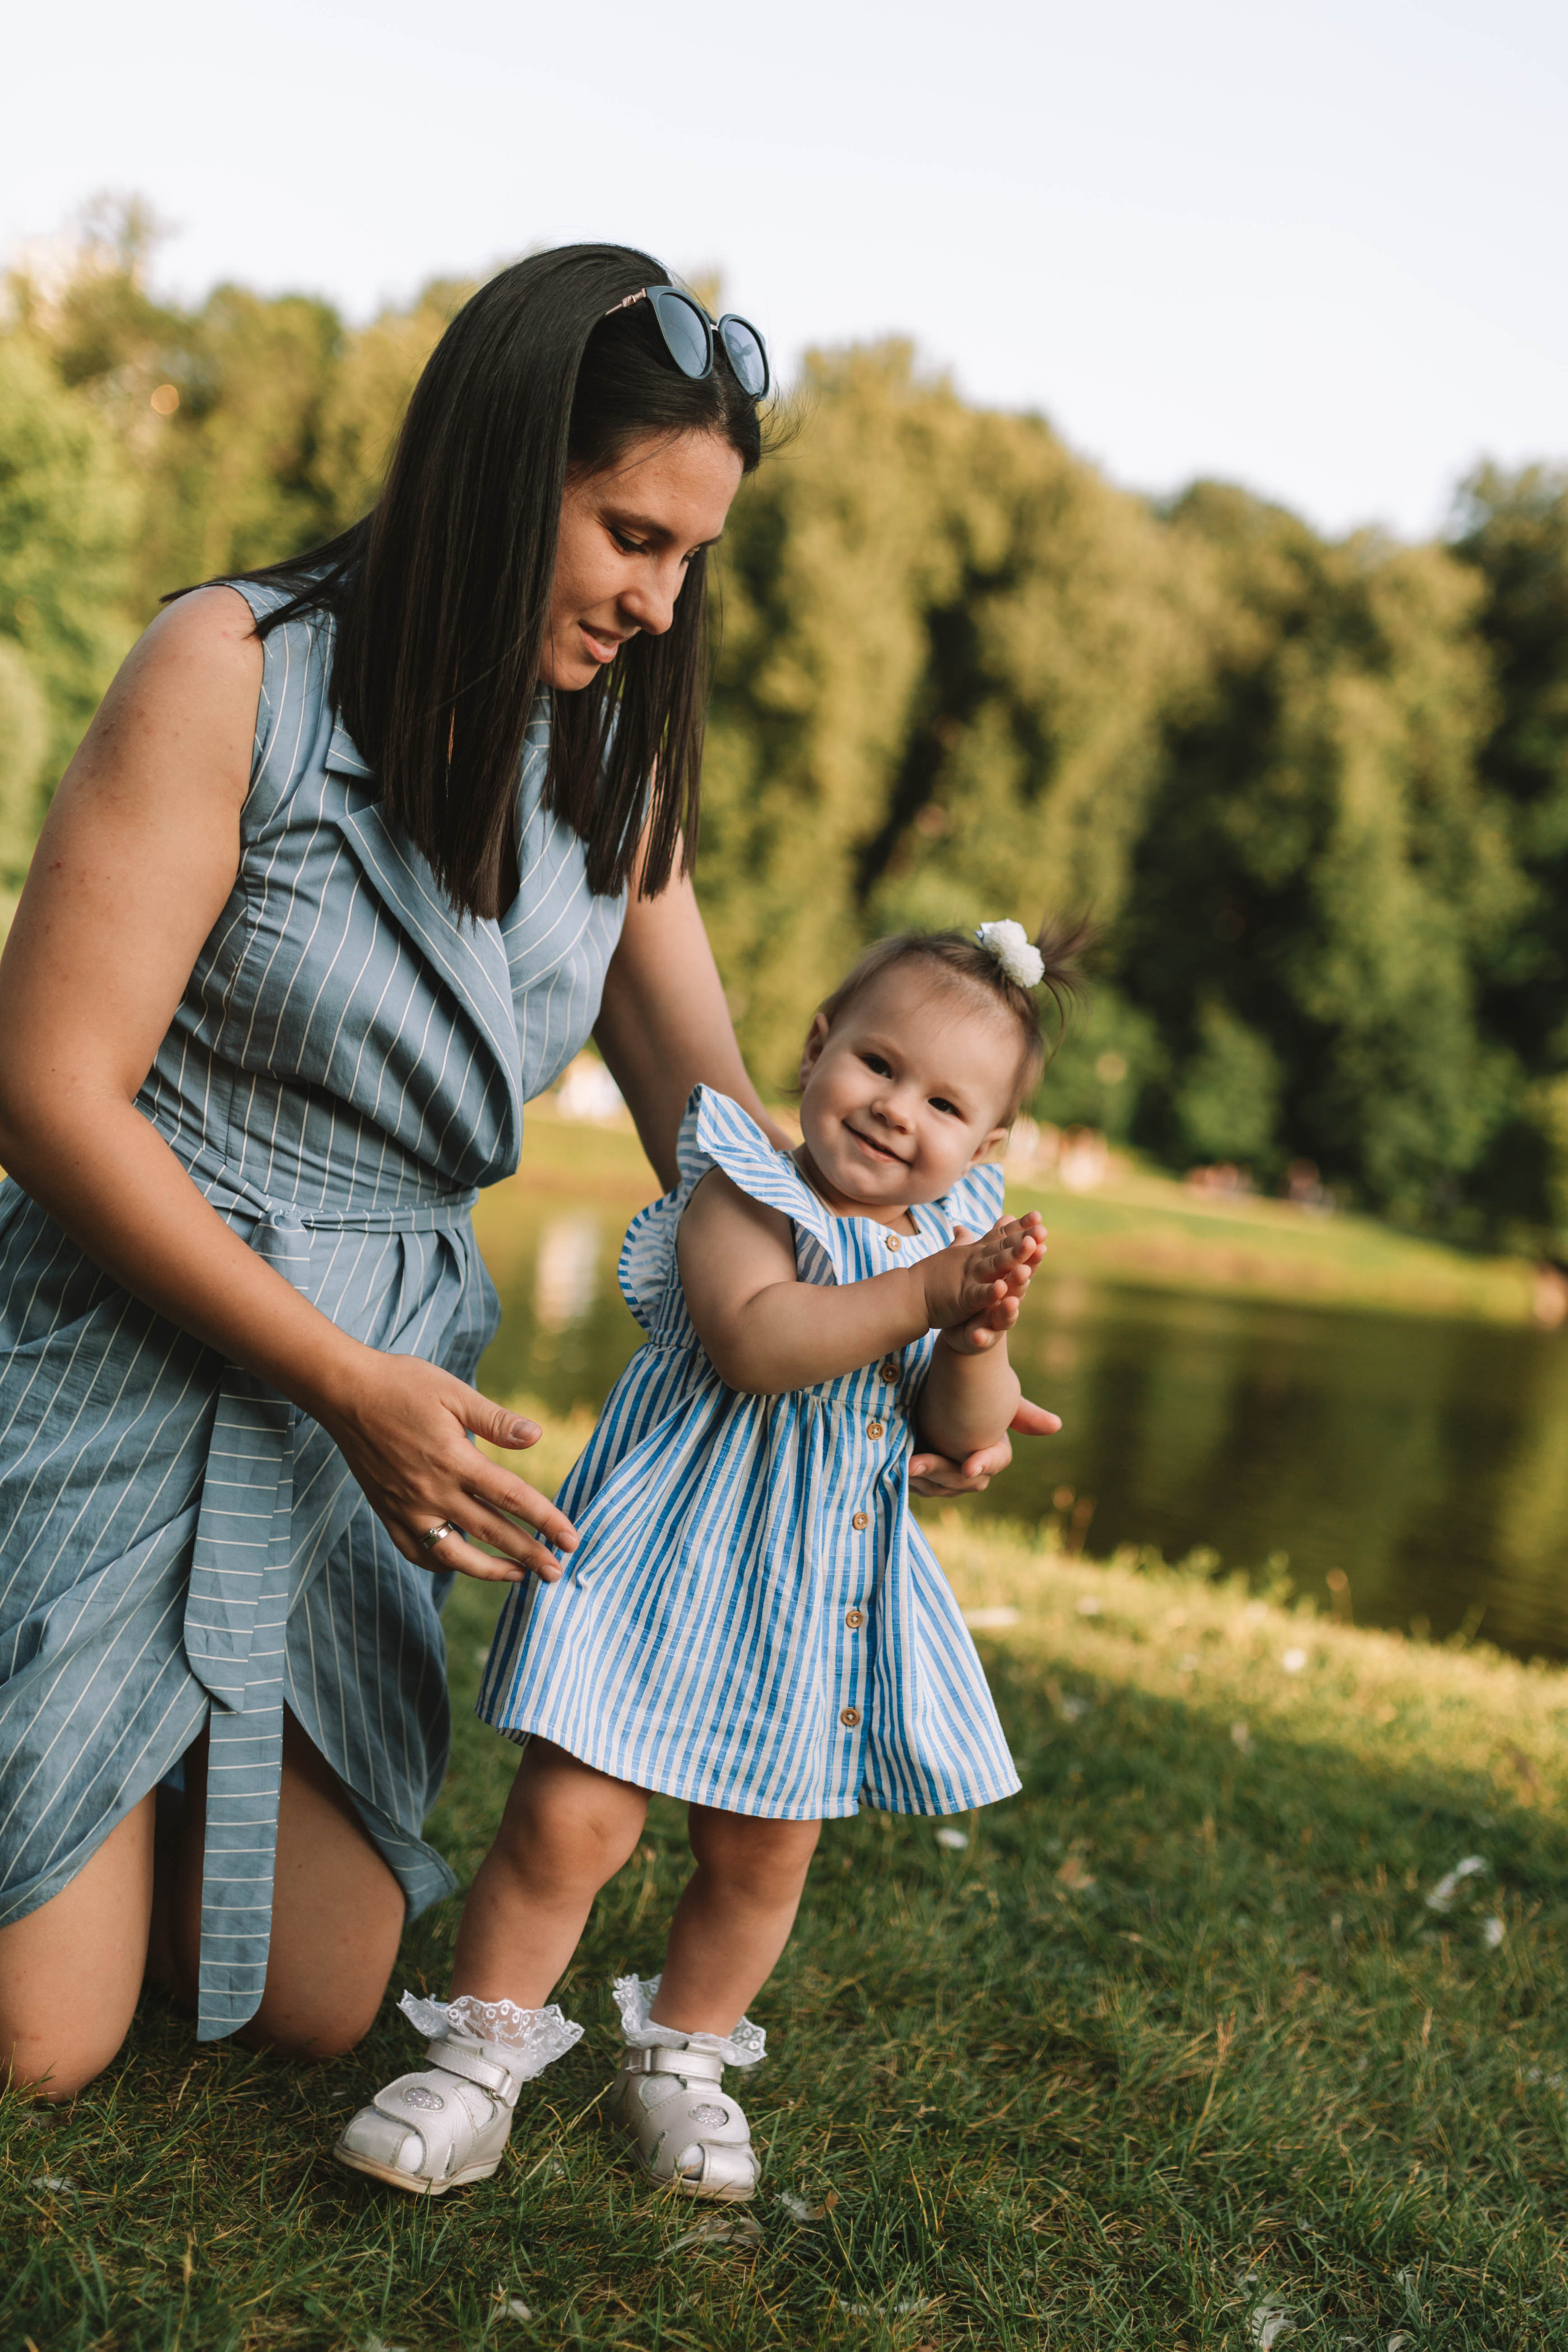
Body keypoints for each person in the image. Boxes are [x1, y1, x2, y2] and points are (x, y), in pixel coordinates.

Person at [0, 247, 1051, 2102]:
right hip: (133, 1341)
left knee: (318, 2002)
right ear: (498, 473)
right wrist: (342, 1387)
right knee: (43, 2039)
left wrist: (924, 1327)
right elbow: (44, 1094)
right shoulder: (232, 669)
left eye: (690, 559)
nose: (660, 602)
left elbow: (746, 1148)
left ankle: (128, 1785)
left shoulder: (612, 768)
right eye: (632, 536)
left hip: (380, 1396)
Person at [333, 917, 1075, 2201]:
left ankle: (681, 2060)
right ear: (817, 1048)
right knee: (567, 1822)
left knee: (761, 1854)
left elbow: (957, 1434)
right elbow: (757, 1341)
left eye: (946, 1104)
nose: (896, 1110)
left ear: (988, 1146)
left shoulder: (946, 1245)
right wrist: (926, 1297)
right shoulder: (743, 1187)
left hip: (811, 1602)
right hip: (664, 1568)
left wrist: (973, 1345)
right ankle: (477, 2065)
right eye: (878, 1064)